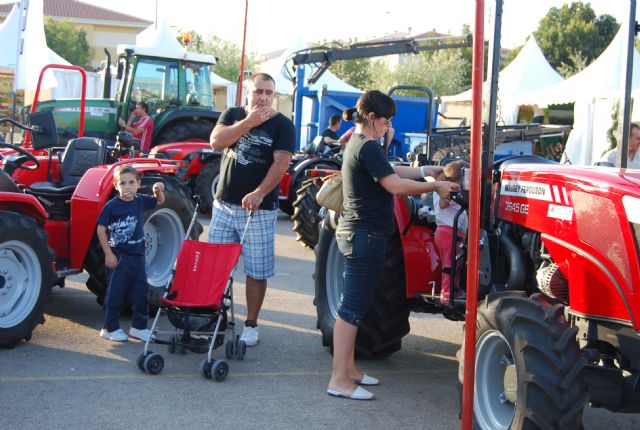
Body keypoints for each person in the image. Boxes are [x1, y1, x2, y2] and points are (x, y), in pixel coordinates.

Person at [327, 90, 460, 401]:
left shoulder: (362, 143)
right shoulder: (366, 145)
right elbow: (396, 185)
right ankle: (339, 379)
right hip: (364, 235)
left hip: (362, 234)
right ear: (373, 118)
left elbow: (392, 171)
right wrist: (436, 185)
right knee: (352, 309)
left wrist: (426, 172)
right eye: (386, 121)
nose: (388, 126)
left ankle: (350, 370)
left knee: (356, 306)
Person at [208, 72, 296, 347]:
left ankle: (251, 324)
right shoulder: (233, 114)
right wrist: (248, 122)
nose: (263, 97)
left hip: (258, 211)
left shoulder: (283, 125)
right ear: (248, 92)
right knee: (217, 267)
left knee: (256, 271)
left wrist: (259, 192)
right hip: (224, 205)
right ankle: (215, 317)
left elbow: (281, 163)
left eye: (269, 93)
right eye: (258, 91)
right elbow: (216, 142)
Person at [96, 165, 165, 342]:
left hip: (138, 256)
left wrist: (158, 189)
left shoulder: (140, 201)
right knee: (115, 295)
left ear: (138, 183)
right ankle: (109, 328)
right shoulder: (111, 206)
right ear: (115, 185)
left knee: (141, 293)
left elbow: (160, 201)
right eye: (123, 183)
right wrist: (108, 254)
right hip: (119, 257)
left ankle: (139, 327)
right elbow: (101, 230)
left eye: (131, 182)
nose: (127, 186)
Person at [432, 159, 470, 303]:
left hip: (443, 232)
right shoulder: (448, 191)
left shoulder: (439, 186)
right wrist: (448, 197)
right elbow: (443, 204)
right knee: (451, 264)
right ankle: (447, 293)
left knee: (454, 264)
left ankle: (453, 290)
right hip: (450, 232)